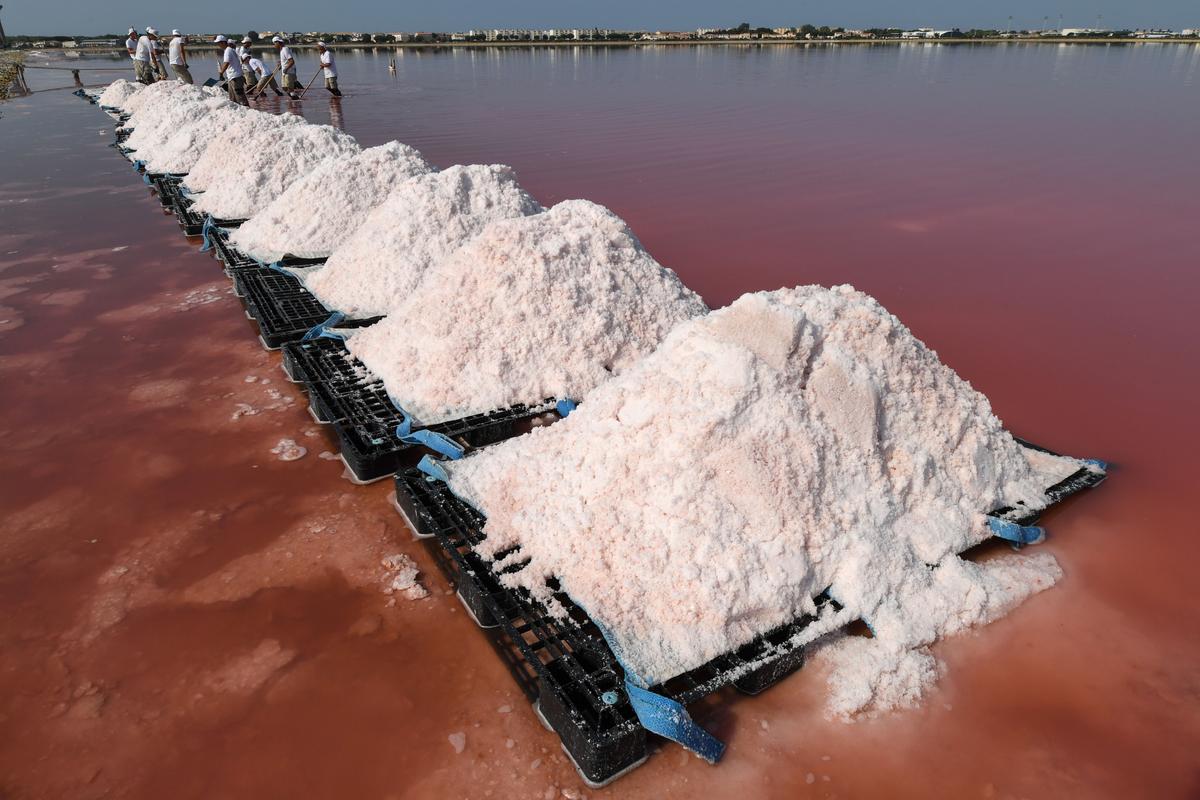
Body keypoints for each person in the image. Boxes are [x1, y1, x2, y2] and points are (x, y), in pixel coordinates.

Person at [214, 35, 248, 105]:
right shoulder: (229, 50)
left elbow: (226, 63)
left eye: (218, 43)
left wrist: (221, 73)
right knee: (232, 99)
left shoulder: (228, 51)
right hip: (232, 77)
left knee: (240, 98)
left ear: (223, 42)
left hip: (235, 77)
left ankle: (248, 111)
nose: (218, 45)